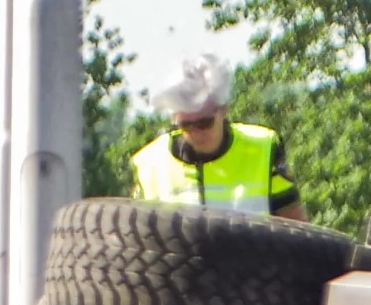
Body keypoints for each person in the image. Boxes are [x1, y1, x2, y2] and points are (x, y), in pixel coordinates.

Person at [129, 51, 302, 217]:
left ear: (223, 110)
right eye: (186, 125)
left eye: (204, 123)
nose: (196, 133)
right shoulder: (148, 162)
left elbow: (296, 227)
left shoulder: (263, 147)